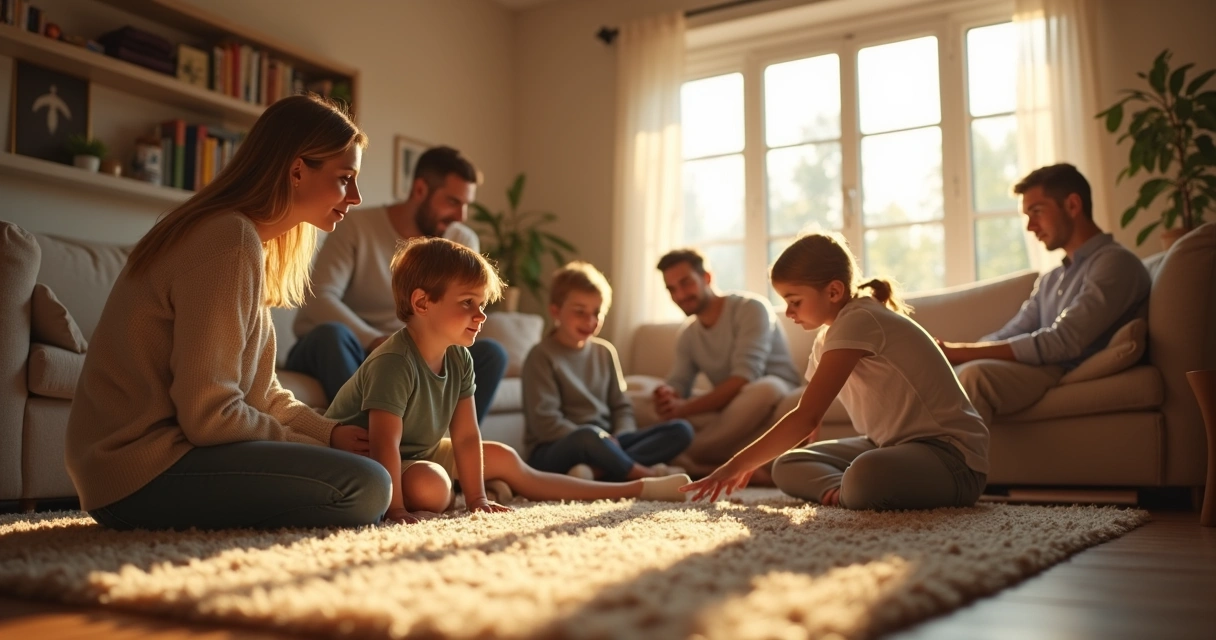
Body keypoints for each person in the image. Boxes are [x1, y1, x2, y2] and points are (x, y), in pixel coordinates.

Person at [65, 95, 391, 530]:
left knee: (368, 473)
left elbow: (262, 393)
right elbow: (210, 416)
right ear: (296, 170)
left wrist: (329, 434)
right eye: (345, 178)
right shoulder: (228, 240)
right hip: (140, 472)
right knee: (368, 486)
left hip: (149, 466)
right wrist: (313, 449)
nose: (355, 196)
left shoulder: (245, 239)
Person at [324, 238, 692, 524]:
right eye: (468, 302)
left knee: (504, 456)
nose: (481, 315)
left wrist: (478, 499)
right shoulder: (393, 361)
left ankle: (634, 487)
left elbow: (467, 435)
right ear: (422, 303)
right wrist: (396, 509)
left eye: (482, 304)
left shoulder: (459, 356)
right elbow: (384, 440)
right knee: (431, 487)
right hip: (373, 456)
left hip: (420, 451)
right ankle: (441, 489)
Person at [683, 233, 990, 510]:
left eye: (794, 301)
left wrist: (735, 464)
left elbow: (807, 417)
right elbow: (810, 424)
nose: (789, 313)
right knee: (788, 464)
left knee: (865, 472)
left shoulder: (860, 319)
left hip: (951, 459)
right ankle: (844, 492)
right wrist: (767, 456)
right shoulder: (826, 337)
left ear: (833, 291)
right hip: (888, 445)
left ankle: (851, 490)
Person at [286, 146, 508, 418]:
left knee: (492, 354)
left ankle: (447, 446)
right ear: (420, 190)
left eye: (466, 205)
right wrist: (375, 341)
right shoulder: (357, 227)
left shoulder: (462, 241)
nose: (460, 216)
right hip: (354, 349)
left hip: (415, 354)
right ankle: (368, 439)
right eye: (452, 202)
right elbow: (319, 296)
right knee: (332, 335)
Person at [938, 163, 1152, 425]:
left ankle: (950, 466)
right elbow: (1013, 331)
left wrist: (961, 352)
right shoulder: (1052, 279)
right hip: (1039, 366)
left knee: (975, 375)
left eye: (1036, 212)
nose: (1030, 227)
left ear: (1073, 205)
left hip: (1061, 368)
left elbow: (1063, 341)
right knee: (953, 372)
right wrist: (953, 354)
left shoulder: (1115, 264)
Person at [522, 261, 694, 481]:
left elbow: (621, 407)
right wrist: (601, 440)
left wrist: (620, 436)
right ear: (555, 311)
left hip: (609, 442)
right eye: (580, 312)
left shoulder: (605, 352)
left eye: (597, 312)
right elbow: (545, 423)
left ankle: (597, 473)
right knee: (588, 436)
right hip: (558, 448)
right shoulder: (541, 355)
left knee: (681, 430)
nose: (590, 321)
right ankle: (645, 476)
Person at [650, 249, 802, 477]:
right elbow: (679, 383)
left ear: (707, 278)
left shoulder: (752, 308)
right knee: (635, 395)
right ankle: (722, 465)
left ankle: (684, 457)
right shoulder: (688, 334)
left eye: (685, 283)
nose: (680, 294)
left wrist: (684, 408)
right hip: (727, 411)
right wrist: (667, 395)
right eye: (672, 289)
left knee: (767, 387)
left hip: (767, 398)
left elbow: (745, 377)